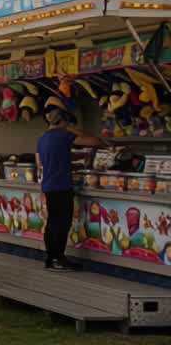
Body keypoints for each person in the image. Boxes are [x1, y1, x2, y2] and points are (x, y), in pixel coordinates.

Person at [38, 109, 105, 271]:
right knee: (62, 224)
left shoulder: (43, 138)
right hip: (61, 186)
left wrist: (79, 159)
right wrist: (73, 129)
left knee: (53, 223)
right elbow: (96, 141)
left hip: (48, 185)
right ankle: (58, 259)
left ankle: (51, 258)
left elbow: (51, 159)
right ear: (63, 122)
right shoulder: (63, 135)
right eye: (67, 123)